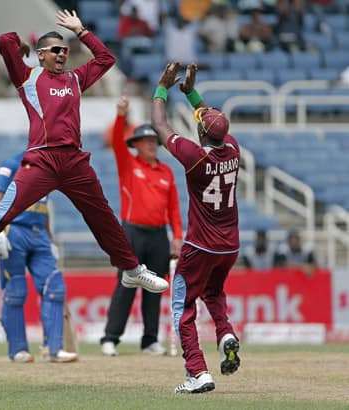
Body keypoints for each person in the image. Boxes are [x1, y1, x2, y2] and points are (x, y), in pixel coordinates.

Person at [0, 10, 169, 332]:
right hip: (42, 160)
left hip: (74, 162)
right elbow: (4, 41)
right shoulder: (28, 77)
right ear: (42, 55)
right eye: (55, 50)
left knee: (102, 216)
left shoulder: (75, 79)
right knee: (5, 211)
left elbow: (106, 58)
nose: (62, 54)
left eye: (64, 50)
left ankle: (131, 269)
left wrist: (82, 31)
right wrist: (21, 46)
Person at [151, 62, 241, 394]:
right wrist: (190, 92)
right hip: (229, 246)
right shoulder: (232, 148)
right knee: (214, 293)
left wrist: (162, 87)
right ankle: (225, 332)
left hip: (200, 246)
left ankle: (197, 371)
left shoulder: (194, 156)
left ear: (201, 133)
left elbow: (159, 124)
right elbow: (211, 120)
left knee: (183, 306)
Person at [100, 94, 183, 357]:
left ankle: (150, 340)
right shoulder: (128, 164)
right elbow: (115, 140)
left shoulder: (166, 172)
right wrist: (121, 114)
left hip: (158, 235)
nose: (151, 145)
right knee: (125, 286)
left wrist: (177, 236)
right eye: (146, 141)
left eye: (154, 141)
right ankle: (110, 338)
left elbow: (173, 209)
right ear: (136, 144)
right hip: (132, 233)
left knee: (155, 289)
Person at [0, 151, 78, 363]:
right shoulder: (12, 163)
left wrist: (50, 239)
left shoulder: (49, 168)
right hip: (15, 230)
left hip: (39, 233)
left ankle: (53, 349)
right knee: (16, 289)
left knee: (54, 287)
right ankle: (18, 350)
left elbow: (43, 207)